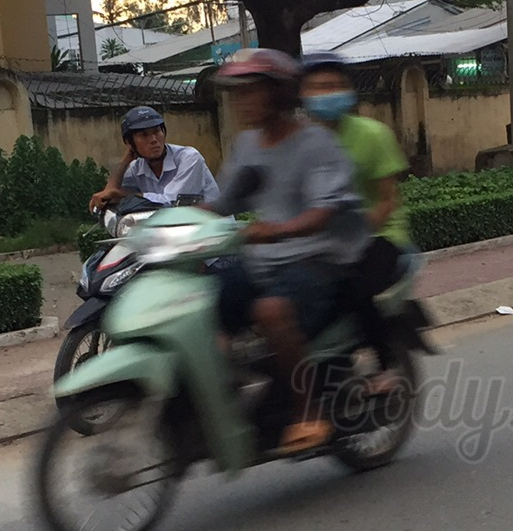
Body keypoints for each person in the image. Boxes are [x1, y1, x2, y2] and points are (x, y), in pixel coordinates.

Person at [208, 48, 367, 456]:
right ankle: (221, 397)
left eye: (251, 91)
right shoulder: (247, 145)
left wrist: (277, 230)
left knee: (271, 311)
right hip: (264, 261)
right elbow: (225, 202)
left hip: (318, 260)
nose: (241, 101)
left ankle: (308, 411)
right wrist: (167, 221)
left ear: (278, 93)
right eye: (236, 93)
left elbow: (323, 212)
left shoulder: (316, 143)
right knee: (207, 298)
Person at [299, 54, 411, 391]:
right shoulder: (298, 143)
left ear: (348, 90)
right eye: (318, 87)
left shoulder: (373, 134)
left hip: (379, 236)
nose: (327, 93)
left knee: (355, 290)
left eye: (334, 85)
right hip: (321, 239)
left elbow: (388, 200)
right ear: (303, 94)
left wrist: (354, 235)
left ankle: (384, 365)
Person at [89, 105, 220, 212]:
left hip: (212, 226)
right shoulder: (136, 168)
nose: (153, 140)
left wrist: (123, 195)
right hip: (170, 229)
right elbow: (110, 197)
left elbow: (172, 201)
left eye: (157, 131)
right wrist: (124, 162)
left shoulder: (189, 158)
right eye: (144, 135)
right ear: (129, 142)